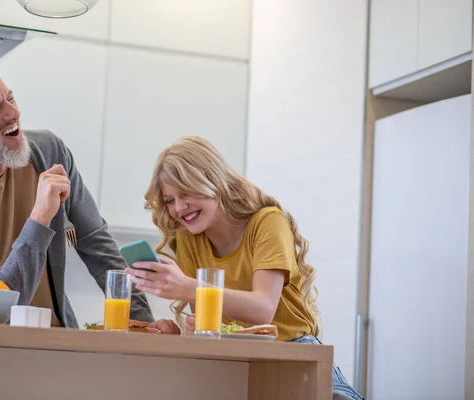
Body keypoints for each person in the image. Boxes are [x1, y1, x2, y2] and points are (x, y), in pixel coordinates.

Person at [0, 60, 155, 329]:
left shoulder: (48, 152)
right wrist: (40, 217)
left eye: (10, 98)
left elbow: (95, 242)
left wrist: (143, 323)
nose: (13, 112)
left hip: (59, 339)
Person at [125, 136, 365, 400]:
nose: (179, 208)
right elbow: (211, 327)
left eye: (186, 193)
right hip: (237, 361)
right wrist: (181, 335)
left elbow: (262, 309)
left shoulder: (267, 222)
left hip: (292, 353)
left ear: (214, 181)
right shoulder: (189, 238)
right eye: (170, 201)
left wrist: (188, 288)